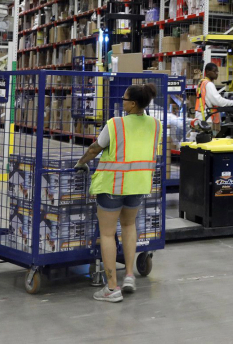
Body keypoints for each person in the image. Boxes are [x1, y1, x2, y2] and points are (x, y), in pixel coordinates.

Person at [75, 83, 161, 303]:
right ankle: (129, 276)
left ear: (132, 103)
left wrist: (81, 162)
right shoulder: (155, 125)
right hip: (139, 185)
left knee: (107, 233)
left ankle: (112, 288)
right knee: (129, 226)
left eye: (124, 98)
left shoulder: (115, 125)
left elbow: (96, 148)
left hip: (113, 185)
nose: (121, 101)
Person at [192, 62, 233, 133]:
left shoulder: (201, 83)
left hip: (200, 117)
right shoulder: (209, 84)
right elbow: (218, 101)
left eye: (217, 71)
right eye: (214, 71)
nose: (217, 73)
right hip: (206, 119)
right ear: (207, 72)